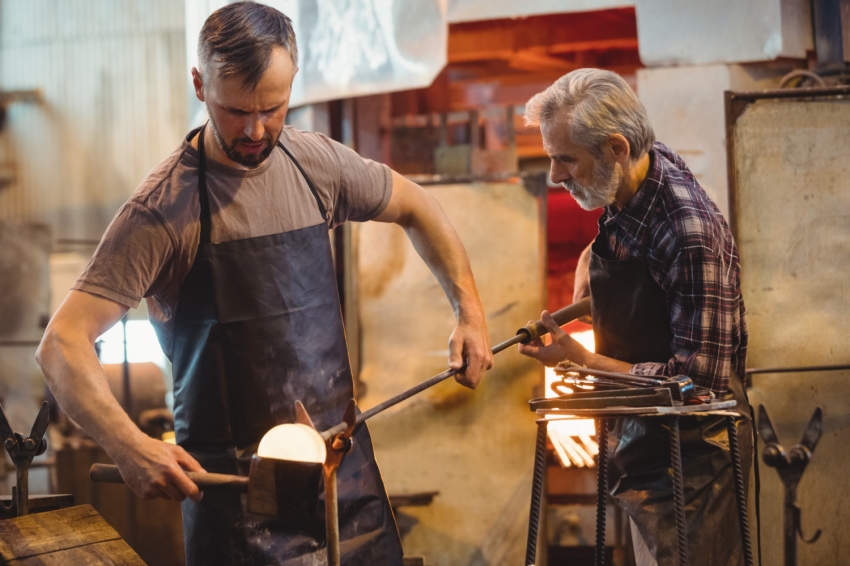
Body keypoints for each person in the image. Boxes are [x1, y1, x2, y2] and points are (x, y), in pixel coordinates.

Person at [36, 3, 493, 565]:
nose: (255, 130)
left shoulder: (314, 164)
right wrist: (129, 444)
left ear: (292, 82)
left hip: (339, 480)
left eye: (272, 109)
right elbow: (61, 343)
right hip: (236, 503)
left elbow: (418, 206)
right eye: (235, 111)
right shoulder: (163, 212)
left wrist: (468, 313)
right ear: (200, 84)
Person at [518, 68, 751, 566]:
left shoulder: (691, 233)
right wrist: (591, 262)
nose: (556, 176)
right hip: (643, 441)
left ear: (616, 149)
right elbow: (636, 244)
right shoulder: (639, 175)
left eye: (566, 160)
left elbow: (698, 384)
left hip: (691, 464)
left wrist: (584, 361)